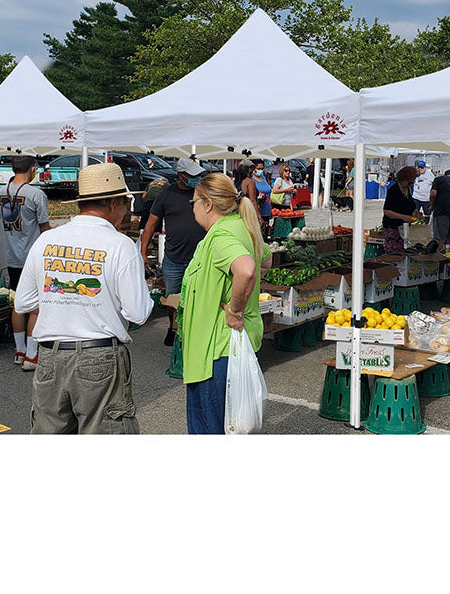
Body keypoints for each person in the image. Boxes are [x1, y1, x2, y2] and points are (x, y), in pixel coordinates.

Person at [16, 163, 152, 434]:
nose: (127, 209)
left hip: (50, 356)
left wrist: (62, 303)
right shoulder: (120, 245)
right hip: (100, 355)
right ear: (113, 204)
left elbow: (24, 303)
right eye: (126, 202)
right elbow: (137, 313)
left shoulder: (47, 240)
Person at [179, 173, 272, 434]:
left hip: (215, 351)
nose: (193, 208)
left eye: (194, 202)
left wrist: (235, 310)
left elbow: (247, 269)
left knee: (210, 430)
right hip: (223, 350)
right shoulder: (240, 227)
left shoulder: (220, 237)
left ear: (208, 204)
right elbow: (266, 259)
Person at [140, 157, 206, 346]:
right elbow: (151, 225)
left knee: (198, 298)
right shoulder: (166, 195)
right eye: (192, 175)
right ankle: (173, 327)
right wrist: (143, 253)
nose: (196, 178)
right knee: (172, 298)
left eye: (197, 175)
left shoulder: (202, 193)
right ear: (181, 176)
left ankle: (194, 332)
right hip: (174, 259)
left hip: (198, 259)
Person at [0, 156, 52, 370]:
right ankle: (32, 355)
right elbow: (44, 226)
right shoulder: (36, 194)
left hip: (12, 256)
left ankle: (19, 351)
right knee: (36, 307)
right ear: (32, 169)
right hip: (33, 256)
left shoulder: (2, 191)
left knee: (18, 304)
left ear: (12, 168)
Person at [382, 165, 419, 253]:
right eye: (409, 182)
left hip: (404, 228)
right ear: (403, 179)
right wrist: (403, 217)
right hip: (393, 227)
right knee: (395, 253)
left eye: (412, 183)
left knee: (405, 250)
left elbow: (410, 206)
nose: (410, 184)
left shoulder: (408, 190)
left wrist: (416, 213)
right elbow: (387, 211)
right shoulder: (393, 191)